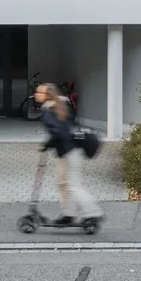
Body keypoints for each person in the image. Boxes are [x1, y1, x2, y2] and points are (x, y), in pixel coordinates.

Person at [35, 82, 103, 223]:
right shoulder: (60, 106)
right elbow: (66, 128)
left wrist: (46, 145)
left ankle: (93, 213)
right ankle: (68, 214)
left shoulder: (49, 112)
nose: (36, 95)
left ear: (47, 96)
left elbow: (59, 132)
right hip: (71, 151)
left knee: (73, 185)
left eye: (39, 93)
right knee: (63, 183)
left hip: (69, 152)